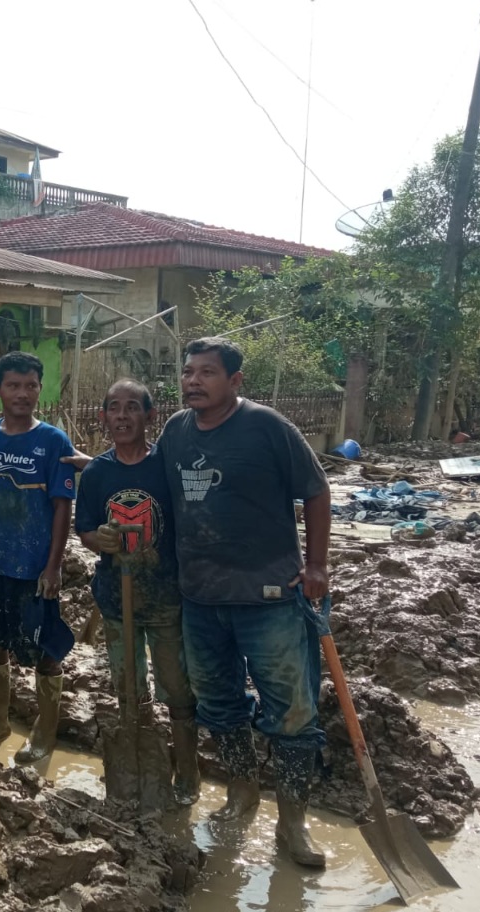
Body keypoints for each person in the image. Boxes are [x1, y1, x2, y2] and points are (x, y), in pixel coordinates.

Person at [157, 336, 331, 868]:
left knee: (293, 710)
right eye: (188, 372)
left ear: (234, 382)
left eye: (206, 373)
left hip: (270, 596)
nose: (193, 381)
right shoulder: (175, 432)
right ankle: (241, 793)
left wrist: (317, 565)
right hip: (202, 599)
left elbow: (316, 491)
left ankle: (293, 822)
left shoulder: (268, 427)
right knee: (218, 702)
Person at [74, 379, 201, 805]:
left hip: (166, 596)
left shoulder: (165, 467)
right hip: (116, 597)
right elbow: (86, 528)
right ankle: (141, 759)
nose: (123, 416)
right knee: (127, 684)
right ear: (103, 418)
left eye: (133, 408)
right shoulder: (96, 473)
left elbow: (188, 520)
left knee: (177, 688)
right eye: (114, 408)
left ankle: (187, 773)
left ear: (150, 416)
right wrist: (101, 540)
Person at [0, 351, 76, 763]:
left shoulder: (53, 442)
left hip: (33, 569)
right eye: (13, 385)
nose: (22, 394)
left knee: (44, 651)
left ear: (39, 388)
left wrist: (54, 565)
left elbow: (62, 506)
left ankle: (44, 735)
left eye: (30, 386)